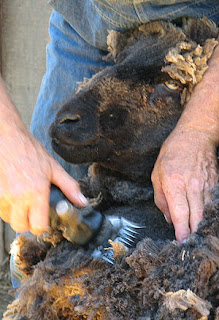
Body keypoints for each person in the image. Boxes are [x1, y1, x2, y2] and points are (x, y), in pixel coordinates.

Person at [1, 0, 219, 286]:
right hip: (86, 27)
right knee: (34, 255)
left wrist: (199, 128)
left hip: (200, 50)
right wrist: (7, 140)